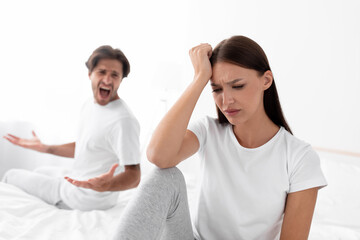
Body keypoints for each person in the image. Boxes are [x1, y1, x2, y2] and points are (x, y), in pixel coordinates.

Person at [112, 36, 327, 239]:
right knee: (165, 177)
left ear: (266, 80)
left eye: (238, 86)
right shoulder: (208, 130)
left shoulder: (299, 157)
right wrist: (198, 80)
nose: (226, 101)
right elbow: (158, 156)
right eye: (216, 89)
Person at [2, 45, 141, 211]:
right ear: (90, 74)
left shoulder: (123, 120)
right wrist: (46, 148)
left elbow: (134, 176)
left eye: (115, 75)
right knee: (40, 169)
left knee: (11, 175)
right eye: (102, 72)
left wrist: (106, 185)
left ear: (121, 79)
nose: (107, 80)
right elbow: (86, 146)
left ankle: (60, 201)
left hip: (86, 199)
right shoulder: (90, 105)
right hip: (79, 180)